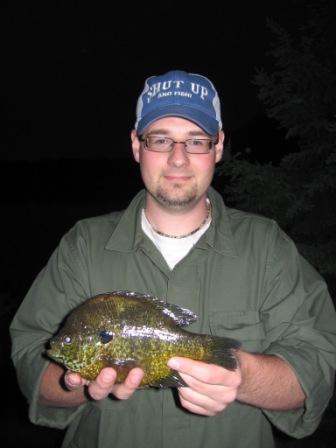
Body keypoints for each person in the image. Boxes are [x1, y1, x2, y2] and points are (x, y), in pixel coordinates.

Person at [10, 70, 336, 448]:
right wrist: (77, 384)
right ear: (136, 145)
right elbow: (30, 361)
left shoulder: (268, 246)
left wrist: (241, 374)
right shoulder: (82, 245)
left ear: (218, 147)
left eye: (196, 141)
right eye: (161, 139)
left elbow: (318, 366)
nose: (178, 158)